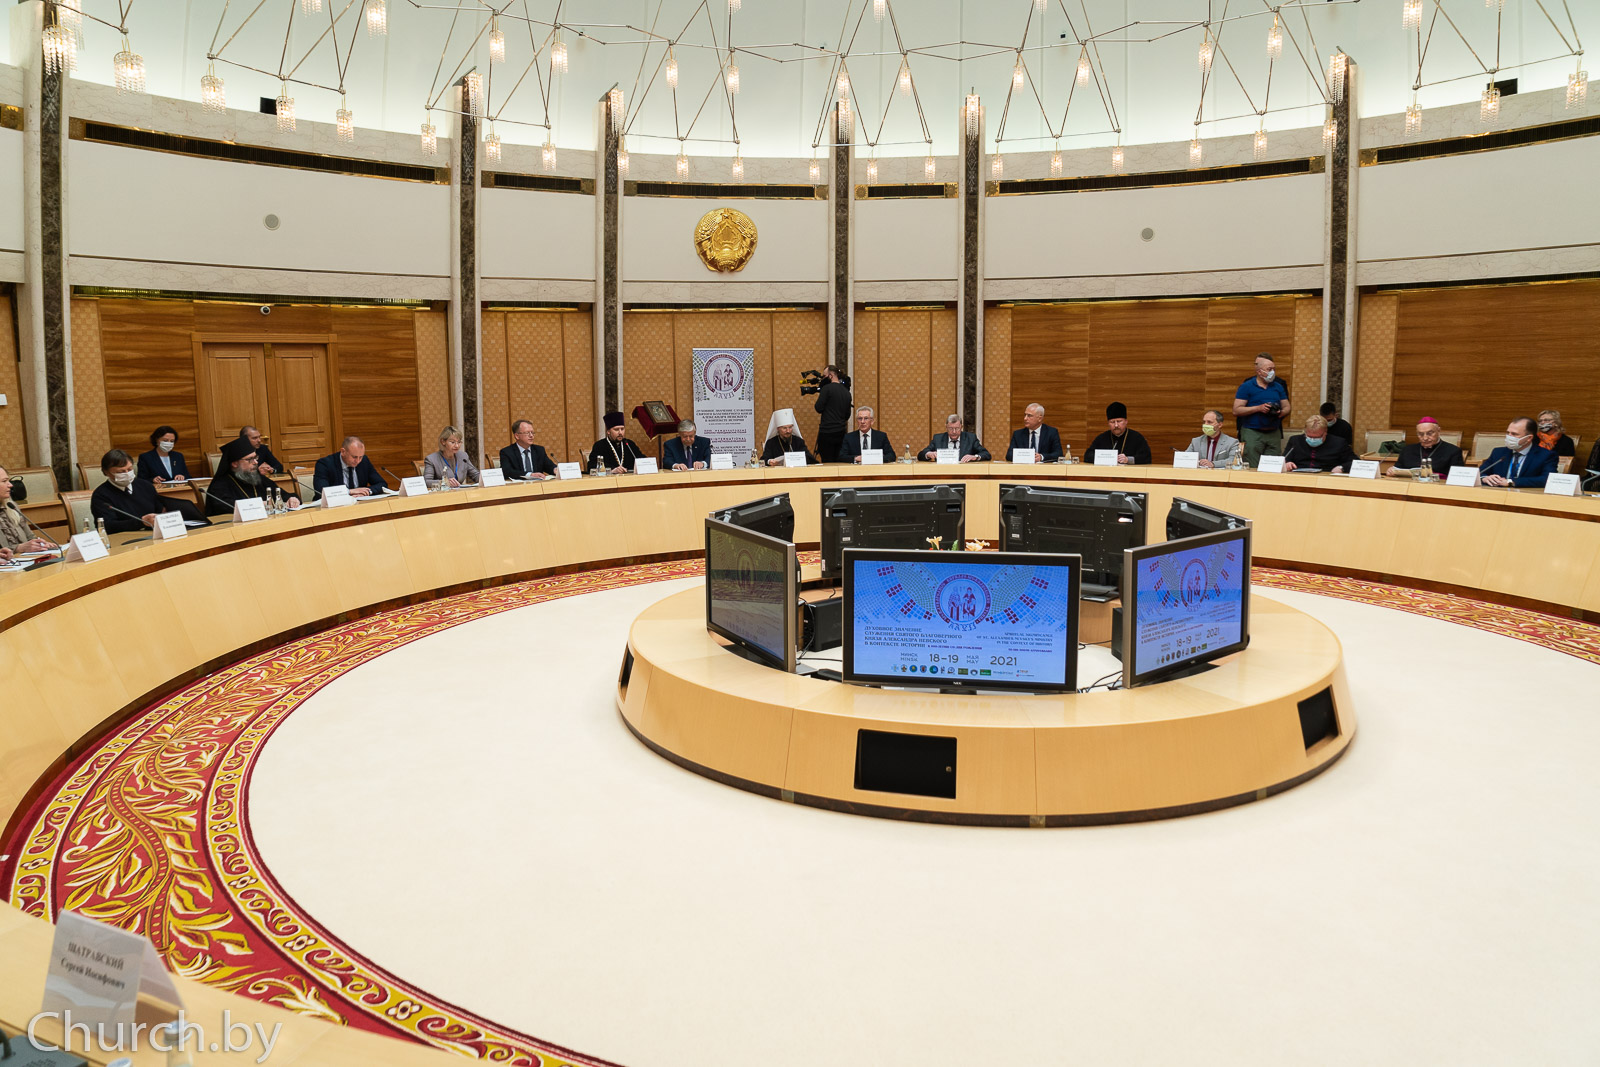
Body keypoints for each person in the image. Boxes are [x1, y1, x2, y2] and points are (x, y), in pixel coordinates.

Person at [92, 449, 210, 532]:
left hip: (153, 535)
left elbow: (159, 510)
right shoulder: (101, 495)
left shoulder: (145, 485)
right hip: (126, 541)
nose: (127, 474)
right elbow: (107, 526)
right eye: (121, 472)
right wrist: (141, 522)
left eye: (129, 469)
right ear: (106, 472)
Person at [205, 437, 302, 515]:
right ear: (234, 463)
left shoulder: (258, 479)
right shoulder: (219, 485)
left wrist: (292, 499)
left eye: (255, 458)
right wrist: (259, 505)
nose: (255, 462)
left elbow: (282, 495)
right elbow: (224, 507)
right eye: (250, 459)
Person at [1233, 354, 1291, 467]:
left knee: (1273, 467)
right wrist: (1258, 408)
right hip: (1252, 432)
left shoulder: (1278, 386)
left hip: (1273, 432)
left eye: (1274, 369)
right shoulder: (1246, 386)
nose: (1272, 372)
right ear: (1259, 371)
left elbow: (1287, 407)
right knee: (1252, 466)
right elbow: (1236, 410)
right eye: (1269, 369)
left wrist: (1281, 413)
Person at [1480, 417, 1557, 489]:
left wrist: (1511, 482)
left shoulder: (1546, 455)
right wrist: (1484, 478)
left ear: (1529, 438)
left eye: (1514, 434)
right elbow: (1480, 472)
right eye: (1508, 433)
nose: (1509, 436)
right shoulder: (1498, 452)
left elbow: (1547, 479)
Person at [0, 464, 54, 554]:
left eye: (8, 480)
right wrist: (18, 548)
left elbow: (30, 537)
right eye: (4, 481)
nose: (10, 485)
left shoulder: (11, 506)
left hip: (26, 559)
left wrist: (41, 544)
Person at [1386, 417, 1465, 479]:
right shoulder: (1407, 450)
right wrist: (1391, 471)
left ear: (1438, 431)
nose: (1425, 438)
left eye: (1430, 433)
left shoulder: (1453, 451)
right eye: (1420, 434)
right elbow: (1397, 470)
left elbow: (1458, 477)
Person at [312, 436, 389, 498]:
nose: (358, 461)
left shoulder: (364, 461)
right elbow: (321, 491)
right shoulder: (325, 464)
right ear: (343, 452)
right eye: (354, 457)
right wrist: (349, 491)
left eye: (360, 457)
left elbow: (382, 484)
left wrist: (367, 492)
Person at [1282, 415, 1357, 474]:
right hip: (1299, 477)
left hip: (1327, 478)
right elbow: (1283, 460)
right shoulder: (1295, 441)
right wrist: (1287, 464)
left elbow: (1355, 462)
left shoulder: (1339, 443)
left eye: (1317, 437)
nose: (1312, 440)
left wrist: (1342, 467)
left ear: (1325, 432)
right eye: (1309, 436)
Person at [812, 365, 853, 464]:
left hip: (827, 432)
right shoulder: (847, 392)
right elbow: (847, 415)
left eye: (824, 376)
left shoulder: (826, 389)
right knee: (839, 461)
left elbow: (818, 408)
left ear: (830, 375)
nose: (823, 379)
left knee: (827, 462)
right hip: (841, 432)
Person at [1088, 402, 1152, 465]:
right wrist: (1106, 458)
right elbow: (1088, 456)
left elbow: (1146, 457)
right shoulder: (1101, 438)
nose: (1116, 425)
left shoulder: (1137, 437)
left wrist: (1128, 460)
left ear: (1126, 421)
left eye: (1119, 421)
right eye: (1112, 422)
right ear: (1108, 423)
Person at [921, 414, 990, 462]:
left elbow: (986, 454)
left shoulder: (970, 438)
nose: (954, 432)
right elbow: (921, 454)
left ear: (961, 427)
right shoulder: (938, 438)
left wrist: (975, 457)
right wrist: (928, 454)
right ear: (946, 427)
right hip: (943, 473)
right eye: (950, 428)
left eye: (957, 428)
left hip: (965, 473)